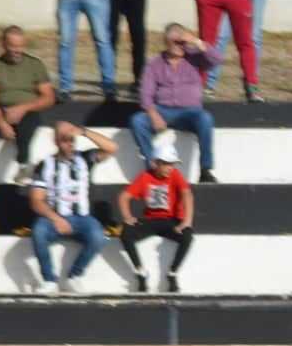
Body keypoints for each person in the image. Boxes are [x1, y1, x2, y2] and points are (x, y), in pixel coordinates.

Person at [28, 120, 115, 293]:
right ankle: (49, 280)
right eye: (64, 139)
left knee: (99, 236)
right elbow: (36, 200)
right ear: (56, 141)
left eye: (71, 139)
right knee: (38, 232)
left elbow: (112, 148)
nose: (69, 143)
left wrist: (84, 132)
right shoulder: (45, 165)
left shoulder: (85, 158)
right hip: (54, 217)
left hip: (82, 218)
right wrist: (55, 218)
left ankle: (74, 275)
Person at [131, 24, 218, 183]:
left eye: (182, 41)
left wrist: (196, 41)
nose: (180, 45)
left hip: (190, 112)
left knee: (206, 119)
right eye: (175, 42)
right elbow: (145, 93)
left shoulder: (195, 58)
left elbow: (216, 60)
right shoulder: (154, 63)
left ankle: (206, 170)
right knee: (138, 121)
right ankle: (153, 166)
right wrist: (153, 113)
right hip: (162, 110)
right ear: (166, 42)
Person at [0, 26, 56, 174]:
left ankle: (23, 165)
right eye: (12, 46)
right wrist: (2, 124)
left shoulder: (35, 65)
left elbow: (49, 97)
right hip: (1, 110)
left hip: (28, 110)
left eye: (20, 46)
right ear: (4, 44)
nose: (16, 50)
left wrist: (22, 108)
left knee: (27, 127)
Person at [117, 150, 195, 293]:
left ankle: (172, 273)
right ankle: (141, 272)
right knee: (125, 233)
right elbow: (124, 196)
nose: (170, 167)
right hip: (150, 220)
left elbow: (187, 194)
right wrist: (127, 216)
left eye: (172, 164)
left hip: (171, 220)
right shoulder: (145, 177)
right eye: (166, 164)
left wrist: (187, 221)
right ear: (156, 163)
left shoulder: (175, 175)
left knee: (187, 235)